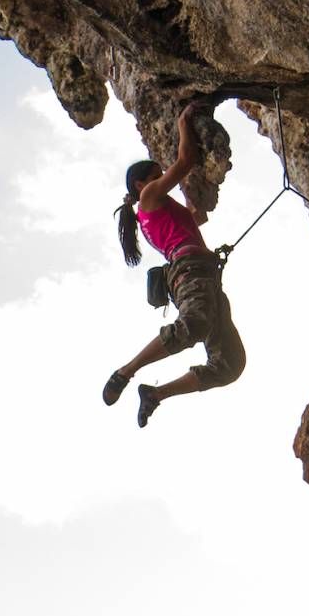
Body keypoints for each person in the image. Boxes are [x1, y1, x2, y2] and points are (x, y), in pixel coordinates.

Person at [102, 101, 247, 427]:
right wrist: (184, 121)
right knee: (194, 322)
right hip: (188, 269)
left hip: (203, 272)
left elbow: (197, 217)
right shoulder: (150, 197)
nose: (162, 177)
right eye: (157, 174)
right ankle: (127, 371)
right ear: (142, 184)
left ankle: (155, 395)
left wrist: (196, 200)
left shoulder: (164, 209)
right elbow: (185, 161)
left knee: (229, 364)